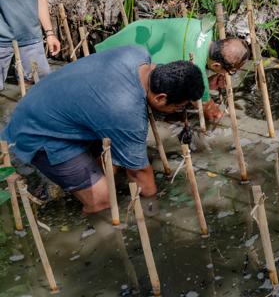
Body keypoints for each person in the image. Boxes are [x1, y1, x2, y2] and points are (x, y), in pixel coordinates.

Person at [1, 46, 203, 213]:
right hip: (41, 132)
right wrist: (155, 206)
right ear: (160, 98)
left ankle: (78, 181)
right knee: (104, 201)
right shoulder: (126, 111)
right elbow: (139, 173)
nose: (179, 111)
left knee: (116, 165)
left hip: (44, 104)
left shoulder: (138, 54)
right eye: (178, 106)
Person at [95, 18, 250, 124]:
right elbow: (210, 111)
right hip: (116, 62)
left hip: (132, 35)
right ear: (216, 66)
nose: (228, 75)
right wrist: (220, 119)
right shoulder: (194, 68)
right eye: (230, 71)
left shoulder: (204, 27)